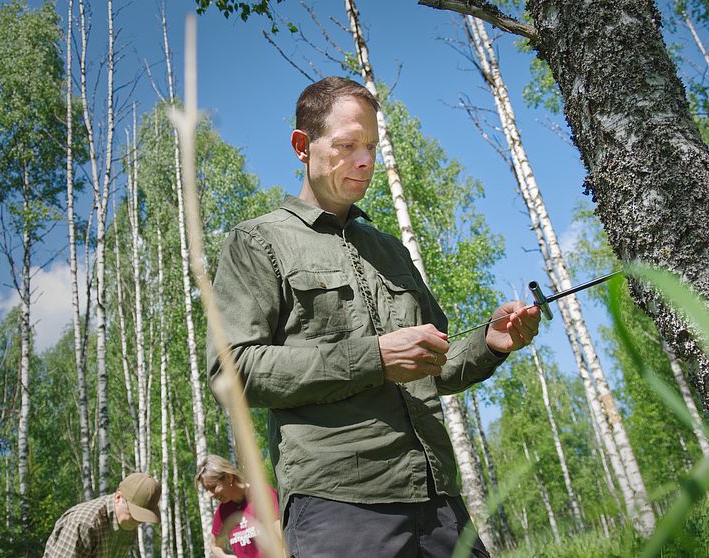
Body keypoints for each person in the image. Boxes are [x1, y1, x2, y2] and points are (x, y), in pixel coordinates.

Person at [207, 76, 541, 558]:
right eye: (347, 146)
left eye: (371, 146)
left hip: (440, 501)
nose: (366, 162)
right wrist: (374, 357)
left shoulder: (390, 249)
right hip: (340, 509)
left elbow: (435, 364)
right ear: (303, 145)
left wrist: (490, 342)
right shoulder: (257, 242)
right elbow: (230, 371)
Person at [43, 472, 161, 558]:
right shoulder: (84, 523)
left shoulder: (128, 525)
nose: (138, 521)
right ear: (119, 497)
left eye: (142, 516)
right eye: (134, 513)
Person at [197, 454, 281, 558]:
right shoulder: (223, 510)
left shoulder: (262, 494)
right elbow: (215, 546)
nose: (209, 495)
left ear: (229, 477)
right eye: (207, 489)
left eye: (213, 487)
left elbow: (283, 536)